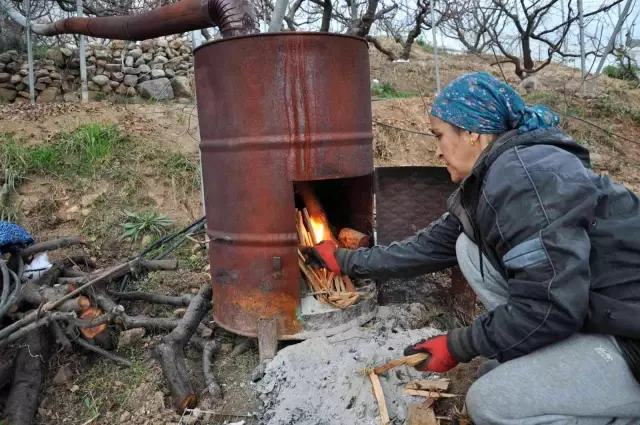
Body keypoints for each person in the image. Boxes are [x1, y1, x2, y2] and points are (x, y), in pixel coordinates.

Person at [303, 72, 640, 425]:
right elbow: (431, 246)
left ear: (472, 132)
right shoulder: (500, 174)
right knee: (468, 248)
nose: (437, 149)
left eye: (440, 135)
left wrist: (458, 345)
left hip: (631, 338)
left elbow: (549, 305)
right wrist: (346, 260)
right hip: (603, 312)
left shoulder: (524, 179)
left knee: (489, 403)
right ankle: (562, 357)